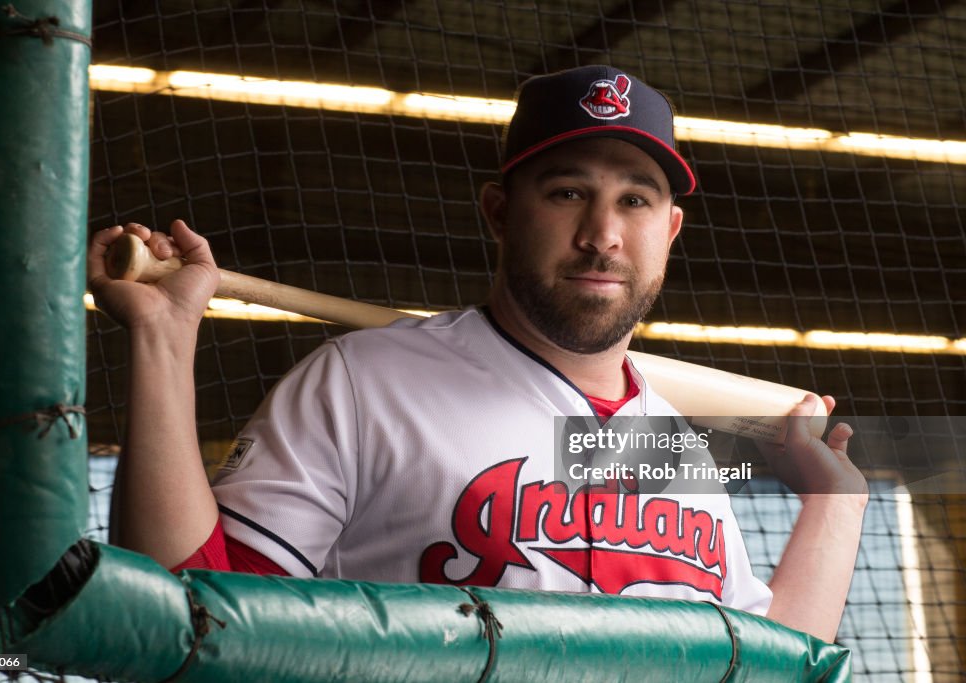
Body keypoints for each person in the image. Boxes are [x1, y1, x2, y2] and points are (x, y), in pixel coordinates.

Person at [87, 65, 868, 643]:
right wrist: (163, 336)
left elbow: (778, 662)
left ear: (668, 232)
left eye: (635, 199)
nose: (602, 234)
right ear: (499, 211)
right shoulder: (366, 380)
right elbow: (191, 612)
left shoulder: (670, 445)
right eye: (567, 192)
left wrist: (837, 502)